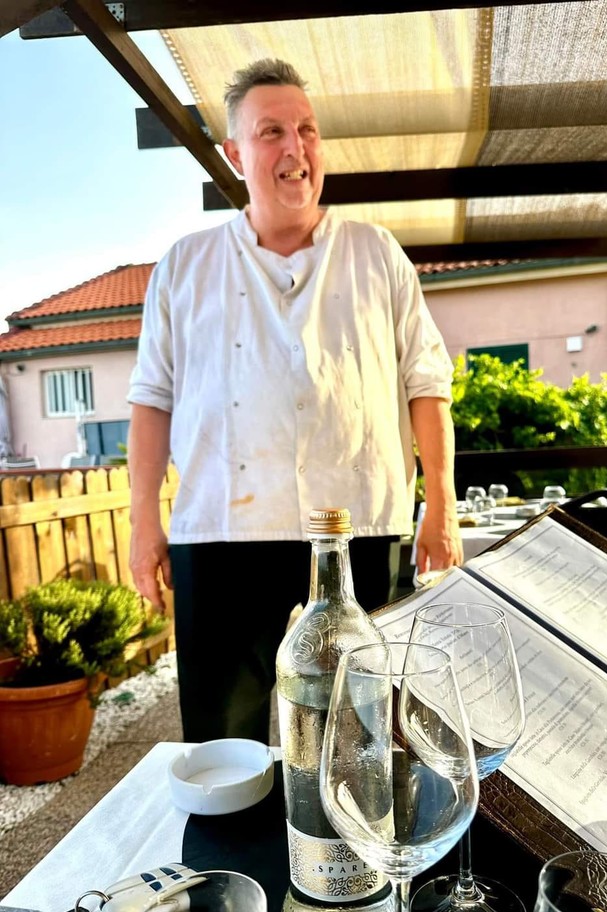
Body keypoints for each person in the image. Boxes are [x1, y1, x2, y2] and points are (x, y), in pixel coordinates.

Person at [126, 58, 463, 744]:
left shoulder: (377, 255)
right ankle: (229, 857)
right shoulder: (185, 266)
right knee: (226, 744)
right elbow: (151, 399)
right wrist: (141, 524)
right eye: (271, 131)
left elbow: (427, 384)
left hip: (364, 524)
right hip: (220, 531)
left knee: (369, 735)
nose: (295, 148)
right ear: (235, 153)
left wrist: (443, 507)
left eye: (306, 130)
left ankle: (366, 851)